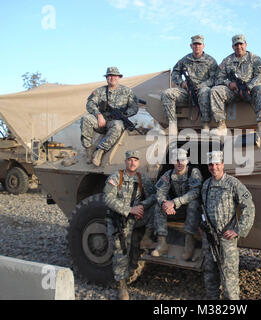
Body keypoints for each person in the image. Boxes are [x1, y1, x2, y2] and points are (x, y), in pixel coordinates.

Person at [201, 150, 255, 300]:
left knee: (229, 273)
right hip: (210, 236)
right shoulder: (206, 184)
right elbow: (203, 208)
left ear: (222, 164)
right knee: (209, 270)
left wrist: (238, 229)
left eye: (217, 164)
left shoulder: (233, 183)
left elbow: (248, 206)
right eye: (211, 164)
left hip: (226, 236)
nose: (214, 167)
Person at [103, 150, 156, 300]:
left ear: (138, 163)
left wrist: (142, 206)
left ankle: (146, 237)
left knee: (158, 207)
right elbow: (108, 198)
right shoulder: (116, 177)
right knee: (121, 252)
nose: (132, 163)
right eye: (130, 160)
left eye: (135, 160)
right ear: (125, 161)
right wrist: (129, 210)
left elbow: (153, 196)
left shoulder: (142, 178)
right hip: (120, 220)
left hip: (137, 219)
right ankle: (122, 287)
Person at [210, 34, 261, 136]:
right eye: (236, 45)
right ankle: (221, 125)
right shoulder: (227, 61)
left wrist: (249, 87)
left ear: (245, 44)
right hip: (233, 91)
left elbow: (260, 76)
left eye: (241, 44)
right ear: (233, 47)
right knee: (215, 90)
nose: (239, 47)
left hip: (250, 90)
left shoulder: (254, 58)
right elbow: (218, 78)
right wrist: (229, 83)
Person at [81, 67, 140, 166]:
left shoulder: (127, 91)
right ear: (106, 78)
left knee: (118, 124)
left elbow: (134, 107)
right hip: (101, 122)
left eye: (115, 76)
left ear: (119, 77)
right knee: (86, 118)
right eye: (110, 76)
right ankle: (88, 150)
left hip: (115, 122)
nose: (112, 78)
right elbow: (90, 104)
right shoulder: (100, 91)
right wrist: (98, 115)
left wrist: (124, 115)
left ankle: (100, 151)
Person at [161, 35, 218, 135]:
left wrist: (201, 86)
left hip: (203, 91)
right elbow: (175, 73)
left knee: (204, 92)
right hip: (187, 91)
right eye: (195, 44)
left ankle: (205, 125)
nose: (197, 46)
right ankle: (172, 124)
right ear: (191, 46)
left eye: (199, 44)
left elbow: (215, 78)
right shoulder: (184, 60)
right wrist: (182, 83)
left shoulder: (211, 61)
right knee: (167, 93)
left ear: (203, 46)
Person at [152, 148, 203, 261]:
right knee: (158, 206)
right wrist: (164, 203)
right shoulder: (168, 174)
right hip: (176, 208)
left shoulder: (193, 172)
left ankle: (189, 243)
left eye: (182, 160)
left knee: (194, 204)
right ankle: (162, 244)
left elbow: (195, 192)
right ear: (172, 161)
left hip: (190, 209)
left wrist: (175, 202)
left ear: (187, 161)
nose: (179, 163)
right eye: (176, 160)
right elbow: (160, 192)